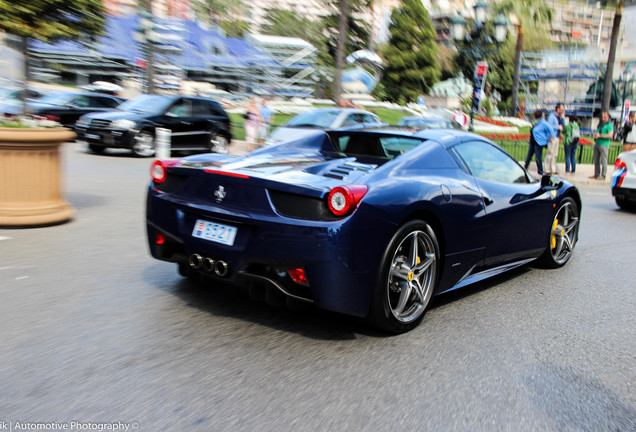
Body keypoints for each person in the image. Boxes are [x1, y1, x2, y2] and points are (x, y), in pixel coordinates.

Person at [524, 110, 556, 176]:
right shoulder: (535, 122)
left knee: (538, 158)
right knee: (528, 156)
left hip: (539, 142)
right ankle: (524, 169)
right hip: (532, 141)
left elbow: (550, 129)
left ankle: (540, 172)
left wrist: (550, 138)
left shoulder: (543, 123)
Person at [590, 110, 614, 180]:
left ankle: (603, 175)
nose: (603, 118)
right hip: (597, 143)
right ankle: (596, 174)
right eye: (602, 117)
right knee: (596, 159)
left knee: (603, 160)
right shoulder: (601, 124)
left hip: (604, 144)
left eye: (605, 117)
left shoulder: (609, 125)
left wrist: (600, 135)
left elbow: (610, 135)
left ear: (608, 117)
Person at [545, 103, 565, 174]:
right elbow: (549, 126)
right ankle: (547, 169)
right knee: (550, 152)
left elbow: (563, 126)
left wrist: (563, 118)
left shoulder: (559, 117)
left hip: (557, 136)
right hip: (552, 136)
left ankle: (552, 169)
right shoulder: (552, 116)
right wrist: (557, 127)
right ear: (558, 109)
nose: (563, 111)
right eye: (562, 109)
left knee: (555, 154)